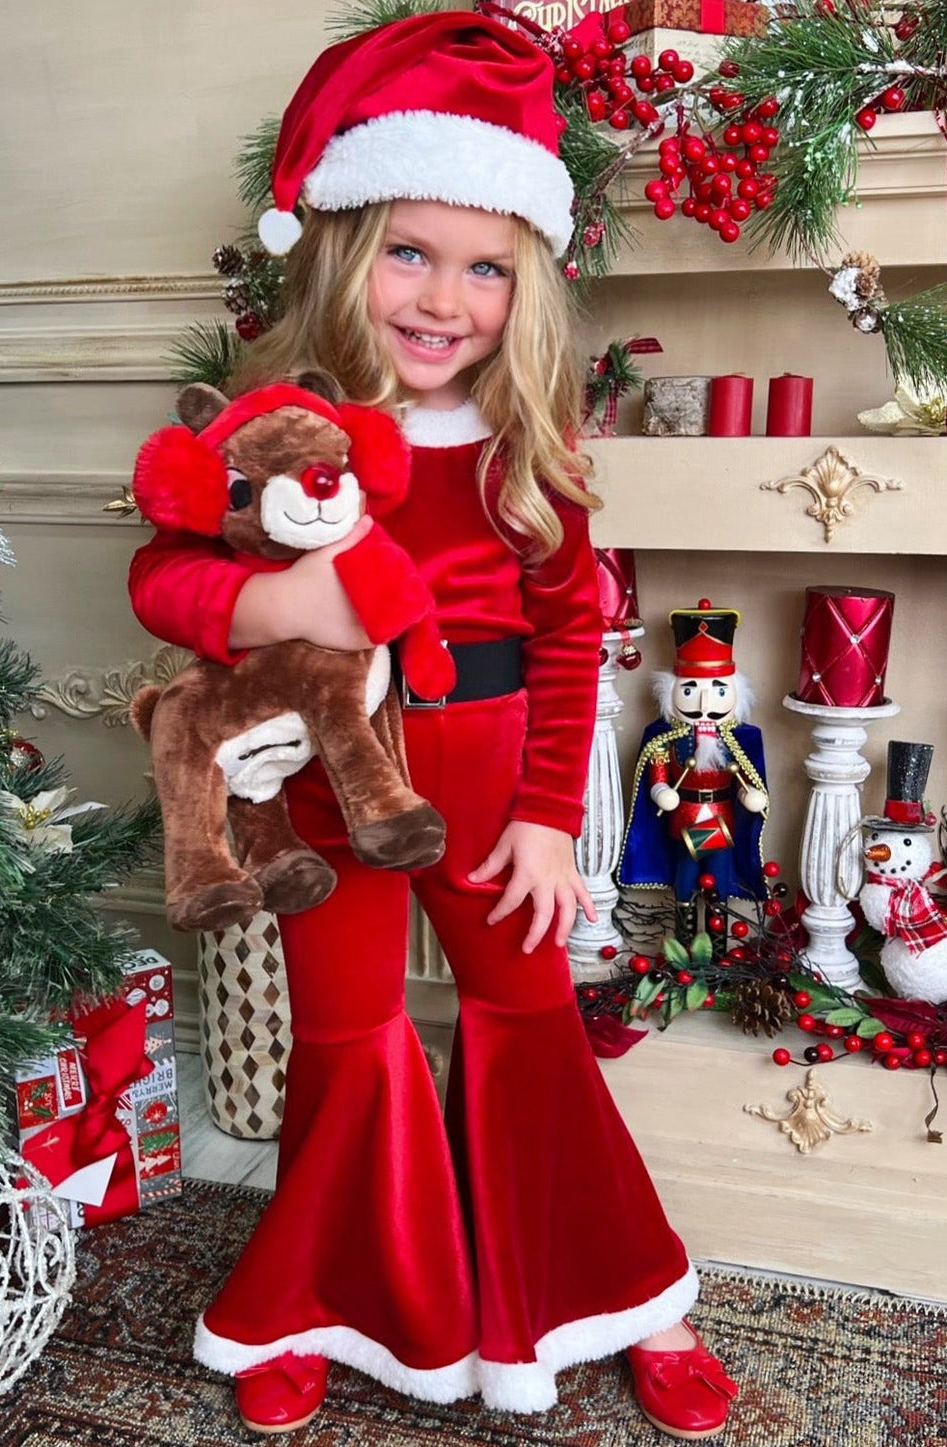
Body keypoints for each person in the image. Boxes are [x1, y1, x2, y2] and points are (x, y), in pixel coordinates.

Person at [129, 10, 738, 1439]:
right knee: (347, 1037)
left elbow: (571, 637)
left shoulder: (528, 444)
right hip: (322, 781)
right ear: (347, 246)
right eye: (411, 251)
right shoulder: (275, 429)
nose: (444, 298)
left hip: (487, 774)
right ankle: (314, 1299)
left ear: (525, 287)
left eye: (485, 267)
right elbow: (161, 574)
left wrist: (547, 817)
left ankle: (624, 1295)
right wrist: (279, 601)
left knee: (530, 1025)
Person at [618, 602, 769, 958]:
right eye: (689, 690)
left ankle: (717, 956)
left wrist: (749, 795)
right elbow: (655, 775)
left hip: (721, 821)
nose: (703, 701)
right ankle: (682, 956)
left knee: (718, 886)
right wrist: (660, 791)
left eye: (718, 690)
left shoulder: (738, 739)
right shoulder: (665, 739)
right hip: (683, 821)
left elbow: (745, 776)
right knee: (684, 885)